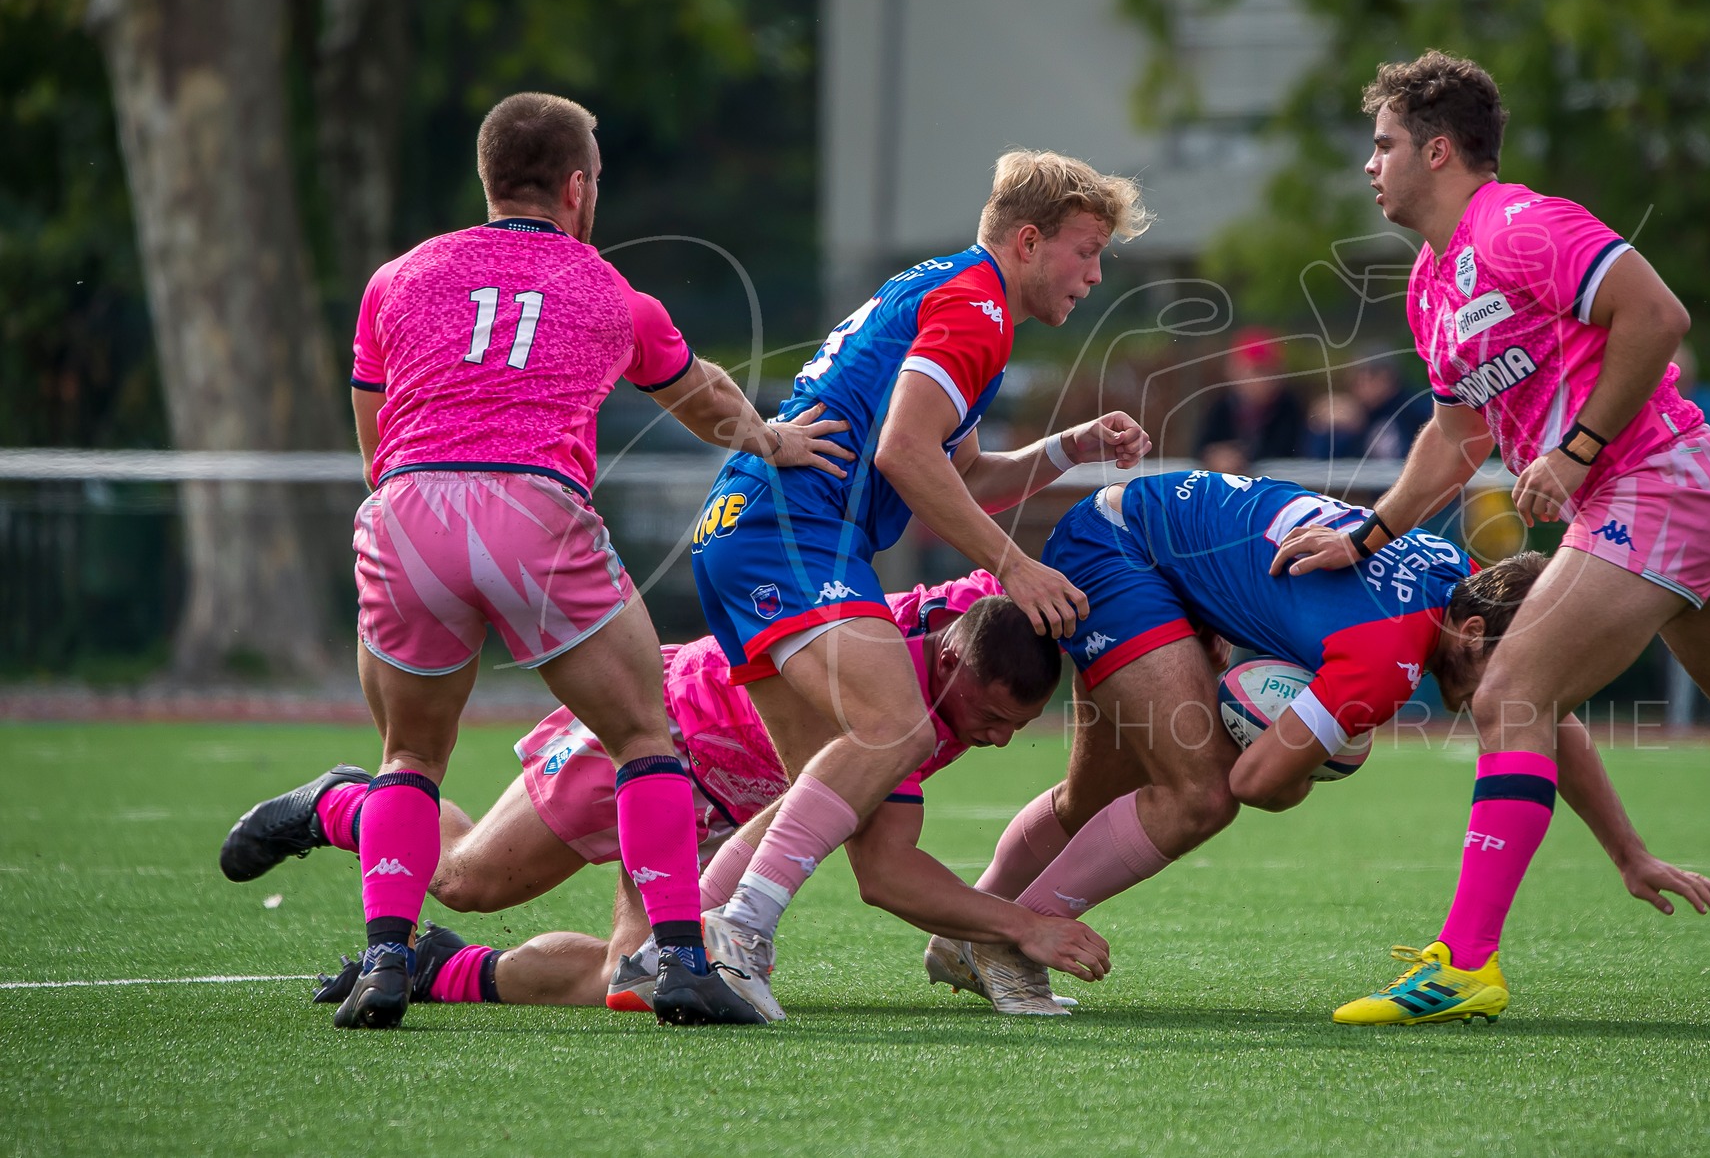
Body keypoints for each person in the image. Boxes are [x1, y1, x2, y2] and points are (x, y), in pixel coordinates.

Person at [1271, 51, 1710, 1025]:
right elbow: (1454, 442)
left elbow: (1656, 315)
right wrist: (1363, 537)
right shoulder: (1430, 285)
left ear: (1436, 151)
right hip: (1678, 497)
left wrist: (1572, 452)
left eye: (1383, 143)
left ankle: (1463, 962)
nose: (1369, 164)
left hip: (1657, 484)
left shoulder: (1522, 225)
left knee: (1512, 691)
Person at [305, 92, 855, 1030]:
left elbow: (374, 442)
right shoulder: (609, 289)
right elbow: (701, 395)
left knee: (408, 755)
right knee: (645, 734)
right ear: (575, 187)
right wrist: (771, 439)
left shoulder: (396, 278)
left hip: (406, 511)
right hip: (532, 507)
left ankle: (387, 962)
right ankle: (681, 961)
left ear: (488, 180)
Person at [685, 151, 1154, 1020]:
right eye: (1086, 252)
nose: (1094, 275)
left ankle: (685, 942)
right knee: (896, 726)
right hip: (793, 535)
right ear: (1026, 240)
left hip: (747, 536)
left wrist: (1068, 448)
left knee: (850, 812)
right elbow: (906, 453)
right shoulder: (977, 307)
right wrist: (1015, 563)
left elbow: (958, 476)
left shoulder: (955, 293)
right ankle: (738, 934)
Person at [953, 470, 1710, 996]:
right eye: (1514, 671)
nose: (1522, 696)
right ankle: (1007, 936)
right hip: (1119, 549)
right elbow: (1256, 785)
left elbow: (1542, 713)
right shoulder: (1387, 662)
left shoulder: (1457, 573)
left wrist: (1629, 851)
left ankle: (960, 930)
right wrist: (1298, 766)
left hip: (1139, 530)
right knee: (1201, 795)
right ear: (1476, 632)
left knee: (1096, 795)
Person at [226, 574, 1106, 1017]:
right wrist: (1022, 925)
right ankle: (343, 802)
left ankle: (437, 967)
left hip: (724, 804)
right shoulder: (891, 701)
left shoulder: (977, 616)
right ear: (951, 659)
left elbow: (1008, 546)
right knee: (464, 877)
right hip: (654, 734)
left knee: (631, 979)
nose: (995, 739)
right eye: (990, 717)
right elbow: (886, 874)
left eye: (1010, 726)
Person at [1195, 327, 1306, 471]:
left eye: (1271, 371)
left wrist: (1242, 460)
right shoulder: (1221, 407)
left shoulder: (1289, 407)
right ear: (1233, 370)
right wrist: (1213, 456)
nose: (1263, 380)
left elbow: (1290, 451)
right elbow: (1200, 448)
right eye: (1257, 371)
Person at [1300, 352, 1425, 461]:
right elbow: (1322, 463)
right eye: (1355, 377)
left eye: (1367, 375)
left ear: (1388, 377)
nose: (1359, 384)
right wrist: (1326, 427)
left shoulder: (1413, 409)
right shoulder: (1358, 414)